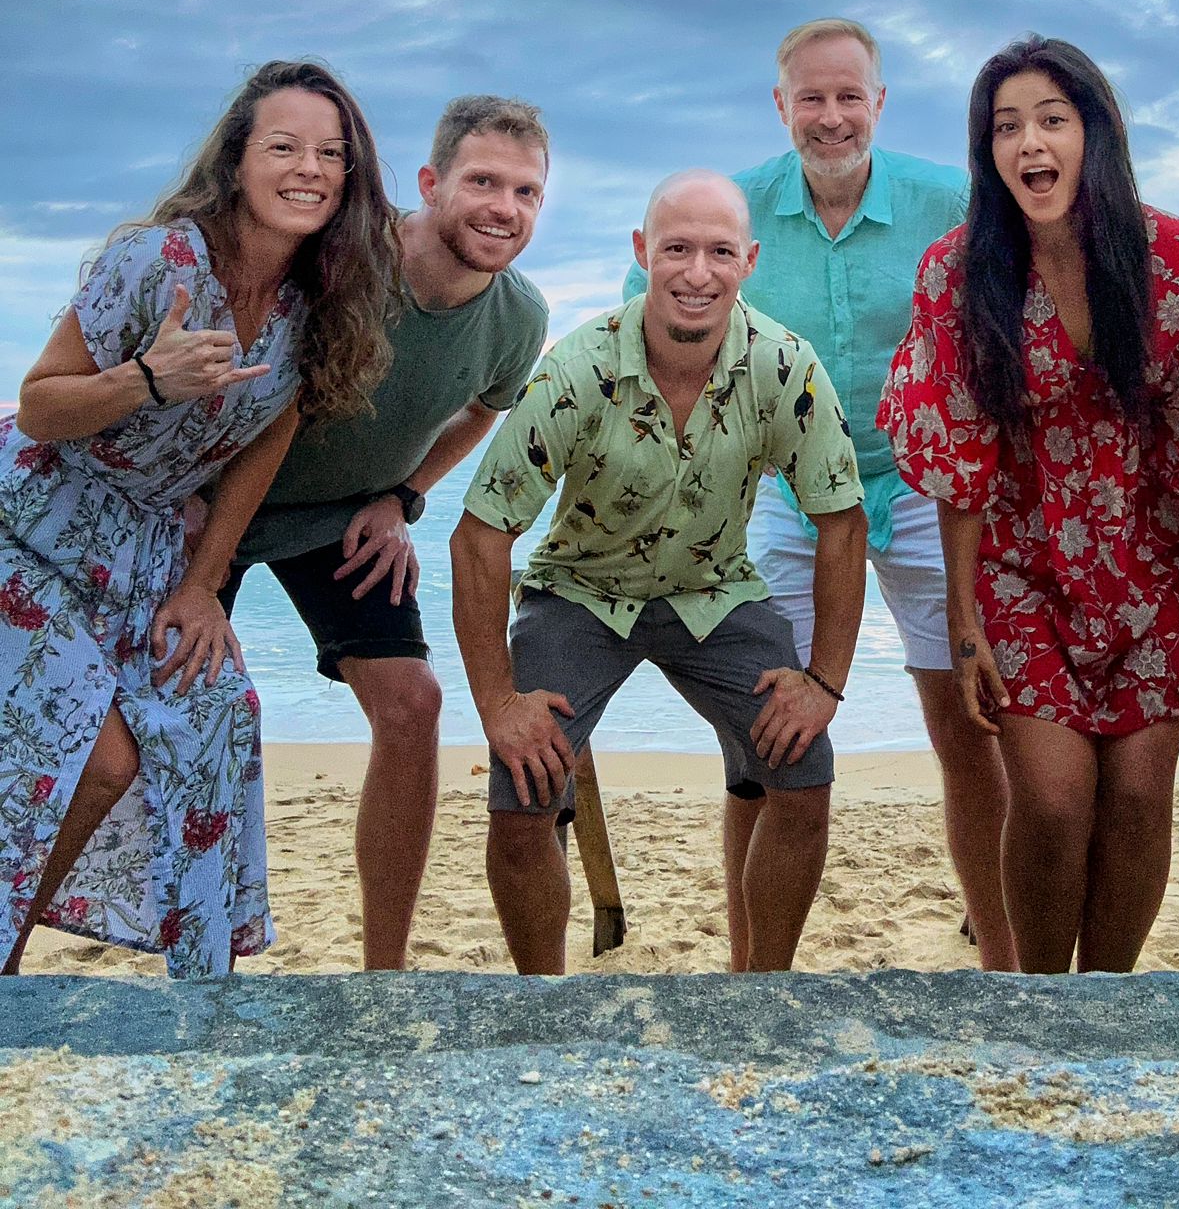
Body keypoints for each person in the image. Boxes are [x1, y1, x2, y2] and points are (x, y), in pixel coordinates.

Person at [880, 36, 1179, 974]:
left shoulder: (1178, 260)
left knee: (1141, 800)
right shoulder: (957, 273)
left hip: (1159, 569)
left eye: (1052, 120)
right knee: (1053, 801)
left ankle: (1109, 1000)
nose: (1030, 142)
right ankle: (1040, 1001)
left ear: (1094, 134)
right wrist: (962, 624)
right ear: (988, 152)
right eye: (1006, 127)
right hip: (1021, 570)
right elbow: (959, 460)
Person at [625, 16, 1011, 969]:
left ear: (879, 101)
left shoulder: (949, 199)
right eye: (812, 98)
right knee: (766, 737)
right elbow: (646, 322)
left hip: (922, 479)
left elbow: (1016, 316)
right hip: (781, 486)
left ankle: (1005, 961)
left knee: (967, 725)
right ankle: (753, 975)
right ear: (781, 105)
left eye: (849, 97)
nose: (831, 117)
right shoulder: (736, 208)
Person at [1, 59, 397, 976]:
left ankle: (199, 989)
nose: (309, 168)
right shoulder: (157, 262)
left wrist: (204, 584)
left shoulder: (318, 297)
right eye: (284, 146)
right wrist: (145, 381)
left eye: (331, 153)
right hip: (30, 525)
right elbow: (40, 407)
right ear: (237, 160)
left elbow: (270, 433)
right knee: (99, 759)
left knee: (220, 713)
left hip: (145, 550)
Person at [451, 169, 867, 974]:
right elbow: (479, 537)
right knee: (524, 788)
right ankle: (542, 1002)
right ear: (643, 252)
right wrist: (497, 703)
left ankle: (764, 992)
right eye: (677, 249)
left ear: (749, 260)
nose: (697, 273)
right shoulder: (576, 369)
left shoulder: (786, 367)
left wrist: (825, 680)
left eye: (719, 252)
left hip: (714, 591)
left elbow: (842, 524)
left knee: (804, 770)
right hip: (581, 593)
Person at [221, 94, 550, 969]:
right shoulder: (344, 260)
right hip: (212, 504)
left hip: (340, 518)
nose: (504, 208)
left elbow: (484, 410)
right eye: (483, 182)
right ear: (432, 183)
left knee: (414, 705)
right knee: (181, 712)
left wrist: (402, 496)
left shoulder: (520, 317)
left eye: (526, 192)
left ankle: (384, 976)